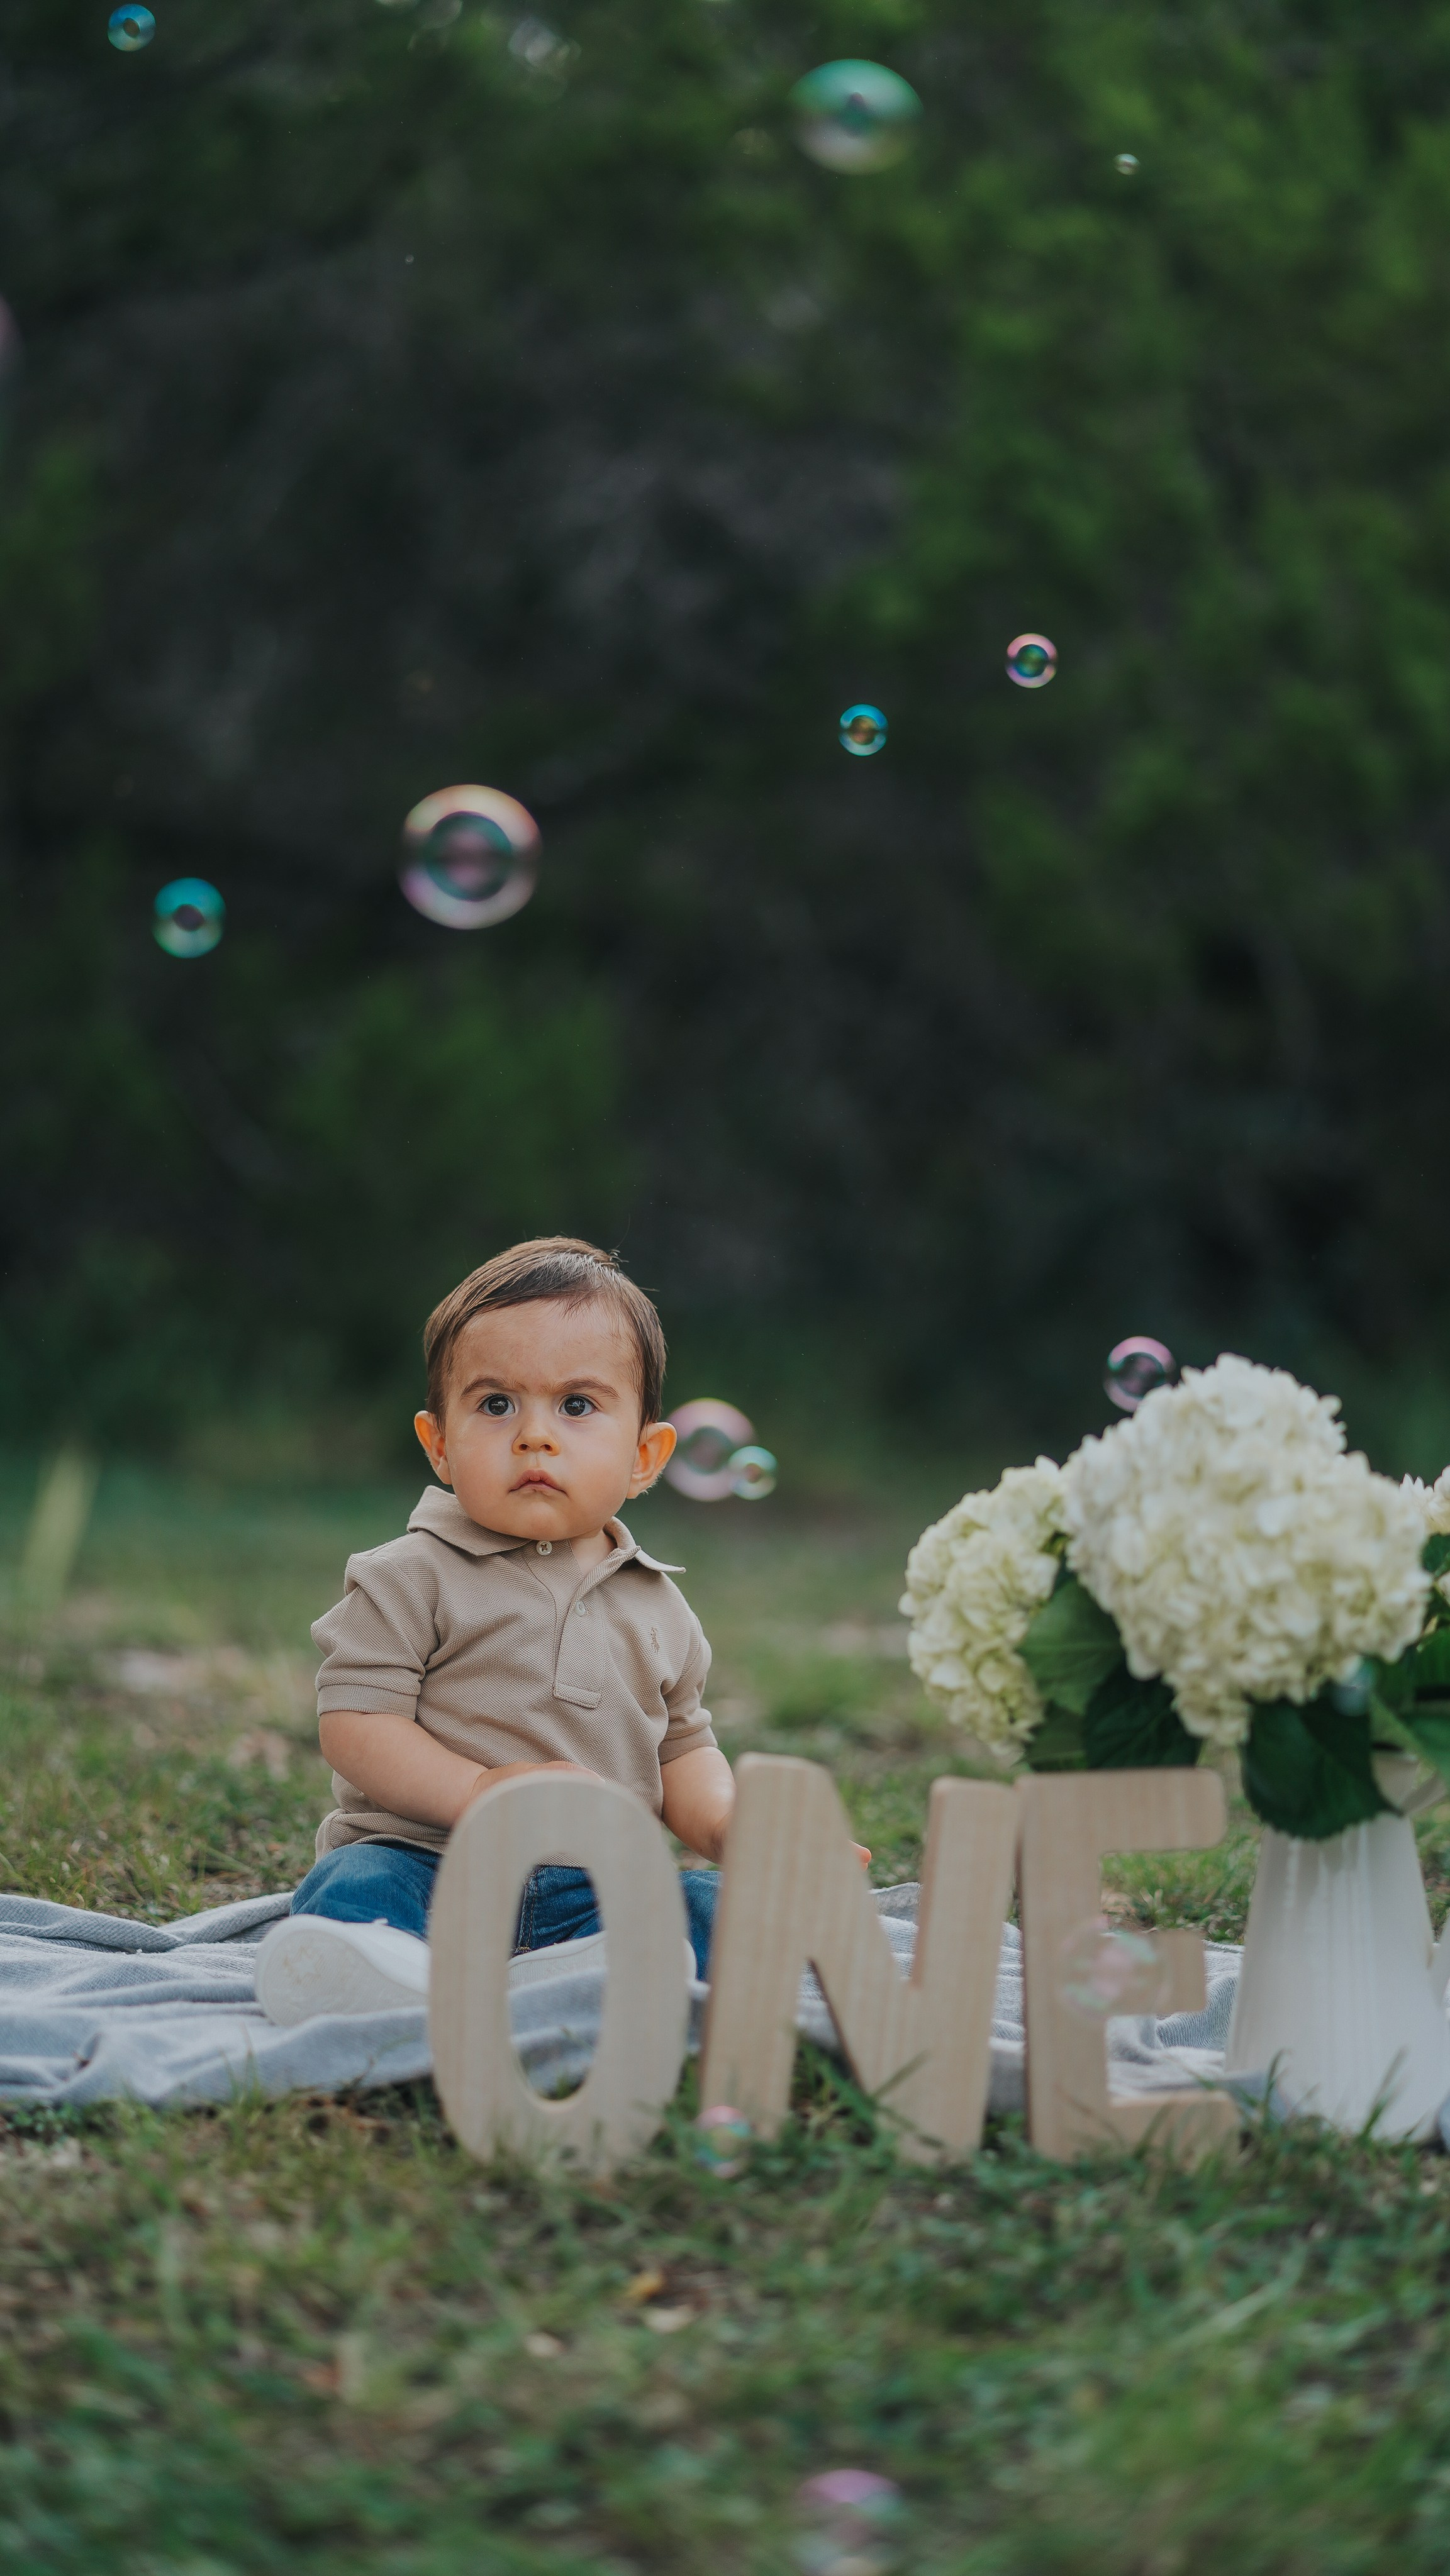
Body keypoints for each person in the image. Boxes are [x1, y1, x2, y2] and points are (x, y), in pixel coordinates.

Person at [254, 1236, 737, 2024]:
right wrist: (478, 1790)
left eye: (576, 1405)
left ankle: (602, 1969)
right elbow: (356, 1724)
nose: (534, 1435)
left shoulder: (660, 1605)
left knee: (713, 1904)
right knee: (354, 1889)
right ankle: (377, 1977)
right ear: (439, 1443)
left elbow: (682, 1747)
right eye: (495, 1404)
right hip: (429, 1864)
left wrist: (724, 1823)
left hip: (596, 1885)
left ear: (646, 1456)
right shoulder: (408, 1573)